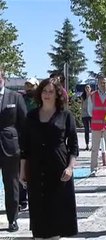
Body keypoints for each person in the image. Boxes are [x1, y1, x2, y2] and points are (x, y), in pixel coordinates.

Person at [20, 78, 79, 239]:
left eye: (51, 91)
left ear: (57, 94)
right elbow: (25, 146)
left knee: (57, 217)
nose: (47, 94)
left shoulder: (66, 116)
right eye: (44, 91)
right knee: (39, 215)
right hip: (36, 170)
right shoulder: (31, 116)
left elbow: (73, 146)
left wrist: (70, 167)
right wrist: (22, 170)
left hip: (59, 170)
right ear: (40, 93)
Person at [0, 67, 27, 232]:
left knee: (11, 184)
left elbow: (24, 124)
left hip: (10, 147)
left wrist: (24, 149)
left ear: (2, 76)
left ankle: (12, 219)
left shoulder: (15, 97)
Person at [19, 77, 39, 212]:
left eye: (31, 85)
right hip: (23, 137)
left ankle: (35, 198)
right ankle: (22, 200)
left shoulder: (40, 100)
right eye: (27, 85)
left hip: (37, 138)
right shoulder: (21, 99)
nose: (28, 88)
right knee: (21, 168)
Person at [90, 75, 106, 176]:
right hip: (96, 125)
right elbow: (90, 110)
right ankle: (93, 169)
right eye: (101, 82)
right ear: (98, 83)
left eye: (104, 82)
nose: (103, 84)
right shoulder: (92, 95)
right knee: (95, 148)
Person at [81, 85, 92, 151]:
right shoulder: (83, 96)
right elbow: (82, 105)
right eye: (86, 88)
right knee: (86, 130)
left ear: (90, 89)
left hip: (92, 115)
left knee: (93, 131)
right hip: (84, 115)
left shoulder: (92, 96)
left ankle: (93, 145)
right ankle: (87, 145)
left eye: (88, 87)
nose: (87, 89)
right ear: (84, 89)